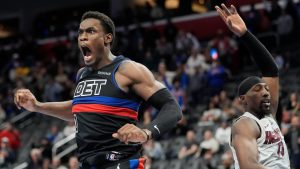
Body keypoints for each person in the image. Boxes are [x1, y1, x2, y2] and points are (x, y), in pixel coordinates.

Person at [14, 11, 182, 169]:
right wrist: (37, 106)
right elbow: (78, 109)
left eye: (90, 31)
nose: (83, 37)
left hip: (121, 162)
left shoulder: (127, 70)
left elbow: (172, 107)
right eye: (80, 33)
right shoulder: (82, 74)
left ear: (107, 38)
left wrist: (146, 132)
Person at [215, 4, 290, 169]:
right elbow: (248, 165)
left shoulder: (269, 116)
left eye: (266, 89)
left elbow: (271, 70)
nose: (265, 92)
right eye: (257, 89)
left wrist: (245, 34)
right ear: (243, 99)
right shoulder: (244, 125)